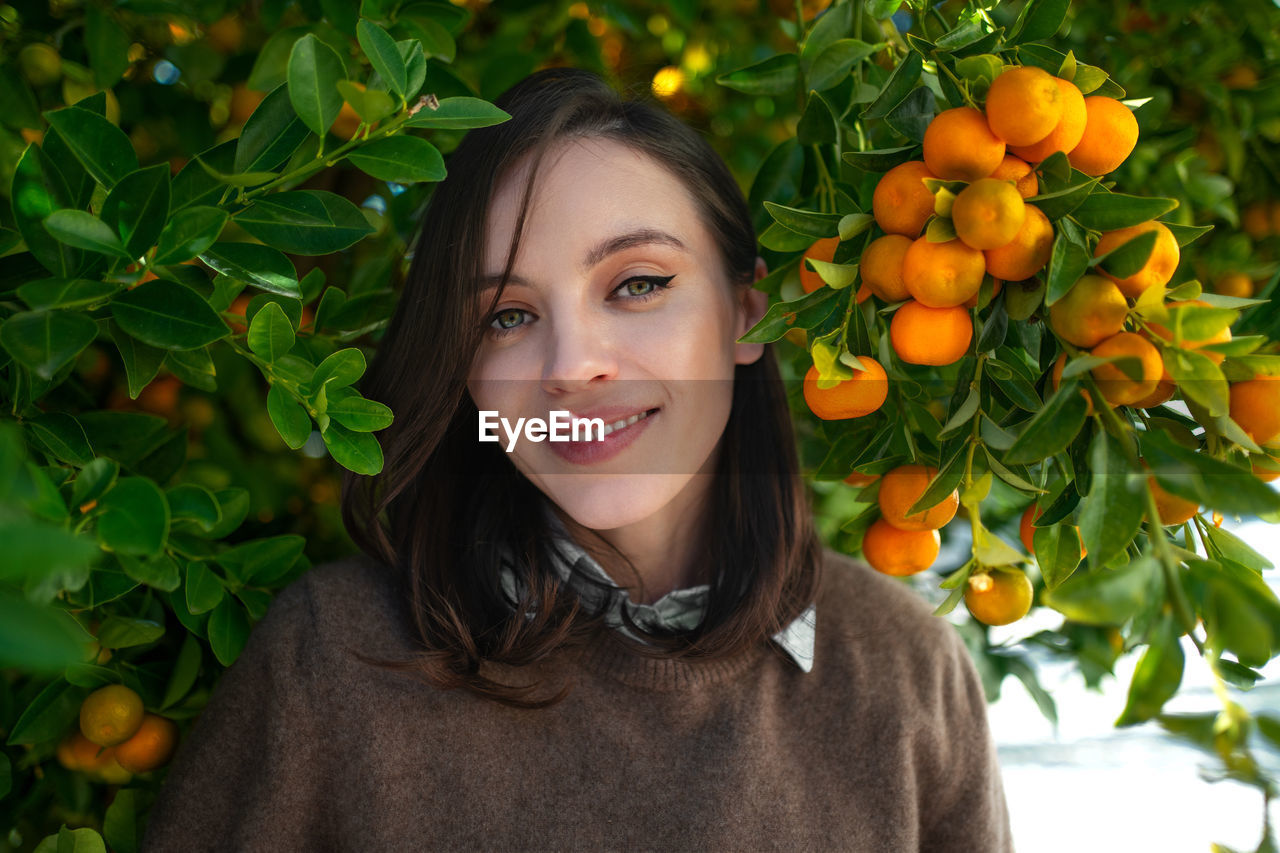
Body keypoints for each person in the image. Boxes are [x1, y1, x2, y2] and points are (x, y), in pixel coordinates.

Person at [140, 66, 1015, 851]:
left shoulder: (905, 668)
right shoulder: (331, 659)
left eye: (638, 284)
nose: (572, 366)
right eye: (505, 316)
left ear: (749, 317)